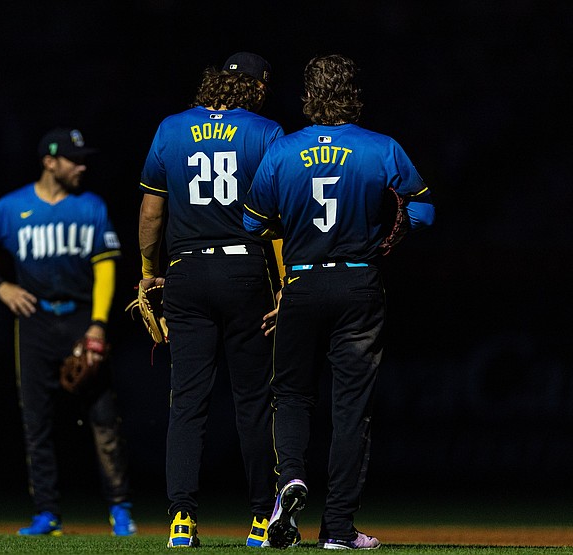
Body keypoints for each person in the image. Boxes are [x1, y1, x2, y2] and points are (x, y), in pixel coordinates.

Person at [243, 54, 436, 550]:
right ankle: (338, 529)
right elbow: (424, 210)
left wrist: (292, 226)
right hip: (358, 283)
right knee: (351, 409)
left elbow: (251, 222)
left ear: (309, 96)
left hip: (302, 284)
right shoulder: (381, 147)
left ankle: (291, 477)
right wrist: (389, 237)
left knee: (291, 395)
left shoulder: (282, 151)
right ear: (354, 94)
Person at [0, 127, 137, 537]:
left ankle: (120, 508)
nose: (82, 166)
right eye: (74, 159)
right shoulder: (13, 207)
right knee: (36, 420)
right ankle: (46, 512)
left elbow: (105, 266)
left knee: (104, 417)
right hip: (35, 320)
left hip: (81, 318)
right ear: (49, 162)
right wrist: (0, 286)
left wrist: (98, 324)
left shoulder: (90, 206)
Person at [137, 52, 284, 548]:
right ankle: (262, 520)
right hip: (245, 271)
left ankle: (181, 519)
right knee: (253, 402)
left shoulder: (171, 128)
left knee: (187, 403)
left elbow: (152, 213)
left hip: (187, 272)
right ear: (256, 88)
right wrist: (285, 284)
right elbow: (277, 220)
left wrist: (148, 273)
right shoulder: (266, 131)